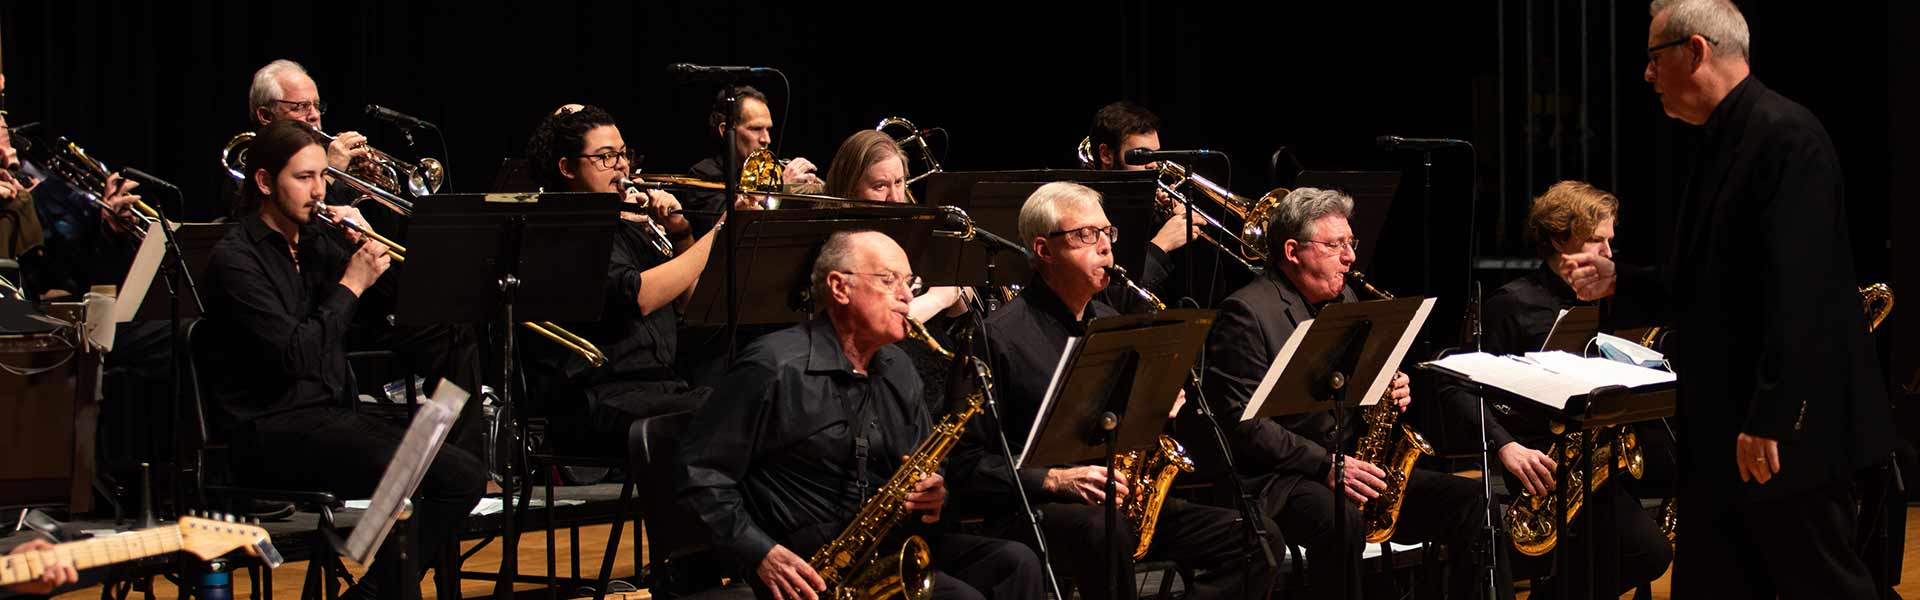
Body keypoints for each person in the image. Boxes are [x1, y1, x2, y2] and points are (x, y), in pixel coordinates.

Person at [1558, 1, 1892, 596]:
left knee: (1818, 584)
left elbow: (1803, 293)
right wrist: (1619, 281)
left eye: (1653, 57)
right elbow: (1708, 282)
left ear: (1695, 51)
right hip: (1722, 427)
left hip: (1783, 433)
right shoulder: (1722, 139)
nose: (1646, 73)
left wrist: (1770, 416)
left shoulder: (1786, 136)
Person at [949, 182, 1278, 600]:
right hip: (1032, 510)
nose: (1104, 247)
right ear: (1044, 251)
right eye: (1086, 235)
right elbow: (965, 465)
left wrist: (1154, 408)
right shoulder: (993, 338)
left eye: (1107, 233)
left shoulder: (1112, 321)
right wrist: (1053, 479)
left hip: (1115, 501)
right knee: (1103, 528)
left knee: (1256, 540)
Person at [201, 119, 484, 599]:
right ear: (265, 182)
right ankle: (375, 588)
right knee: (455, 479)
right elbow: (295, 356)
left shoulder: (315, 243)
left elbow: (399, 314)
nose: (317, 190)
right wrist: (350, 284)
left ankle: (374, 575)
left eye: (320, 177)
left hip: (330, 422)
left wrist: (370, 250)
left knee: (459, 472)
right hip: (269, 436)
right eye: (303, 178)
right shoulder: (236, 259)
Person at [678, 230, 1043, 600]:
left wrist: (935, 492)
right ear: (839, 287)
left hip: (891, 549)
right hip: (808, 570)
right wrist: (760, 553)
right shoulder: (773, 366)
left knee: (1014, 562)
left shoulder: (899, 367)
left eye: (910, 282)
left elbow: (927, 469)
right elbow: (700, 472)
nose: (907, 295)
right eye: (889, 281)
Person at [1199, 187, 1514, 599]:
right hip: (1279, 478)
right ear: (1293, 251)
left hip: (1350, 465)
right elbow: (1245, 423)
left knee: (1473, 499)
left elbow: (1349, 393)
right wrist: (1325, 464)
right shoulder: (1246, 313)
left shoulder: (1345, 297)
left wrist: (1385, 387)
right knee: (1341, 520)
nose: (1350, 258)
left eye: (1351, 243)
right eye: (1335, 245)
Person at [1441, 181, 1670, 597]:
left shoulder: (1607, 298)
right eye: (1596, 241)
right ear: (1559, 239)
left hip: (1594, 455)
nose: (1608, 253)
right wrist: (1505, 447)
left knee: (1647, 550)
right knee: (1642, 551)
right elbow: (1457, 388)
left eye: (1610, 241)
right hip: (1536, 462)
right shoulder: (1510, 304)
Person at [521, 104, 731, 456]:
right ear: (567, 168)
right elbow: (641, 296)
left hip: (658, 387)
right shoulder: (564, 230)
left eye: (623, 154)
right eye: (605, 157)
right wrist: (721, 232)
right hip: (596, 398)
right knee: (725, 416)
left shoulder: (630, 224)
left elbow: (689, 302)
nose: (621, 166)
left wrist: (681, 234)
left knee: (754, 399)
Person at [682, 85, 821, 236]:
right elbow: (729, 234)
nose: (766, 140)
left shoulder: (773, 169)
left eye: (768, 129)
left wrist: (816, 192)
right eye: (756, 129)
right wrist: (782, 188)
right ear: (725, 131)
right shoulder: (702, 174)